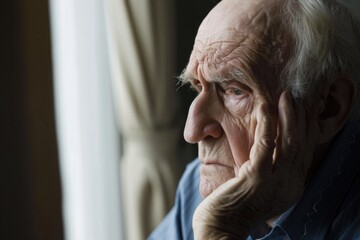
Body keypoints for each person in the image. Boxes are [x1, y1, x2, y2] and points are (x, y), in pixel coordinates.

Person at [149, 0, 360, 239]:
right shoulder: (198, 186)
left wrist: (219, 231)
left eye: (235, 90)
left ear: (328, 108)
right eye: (198, 86)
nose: (192, 131)